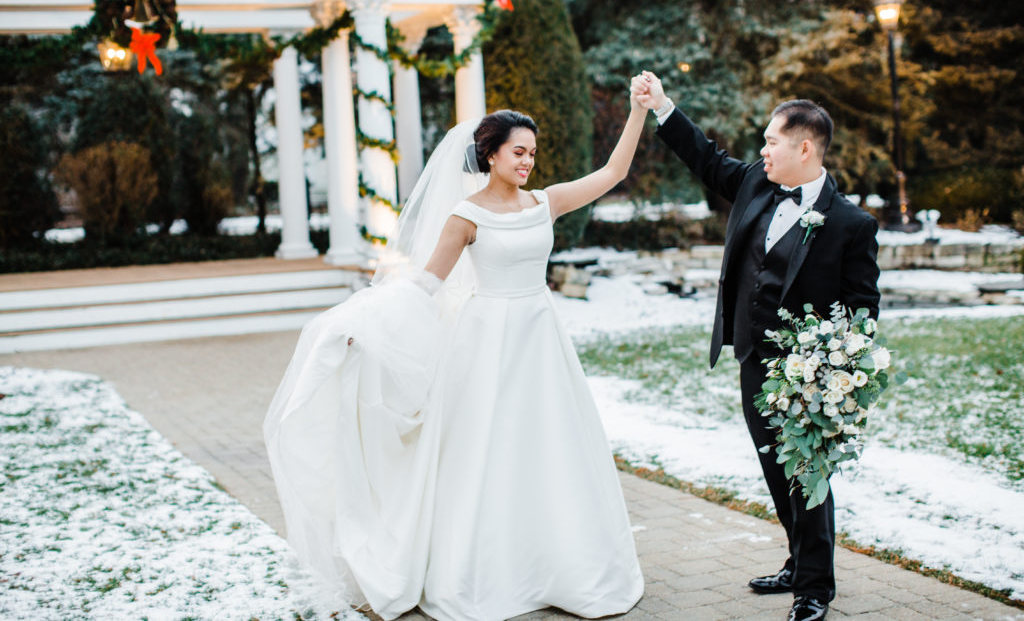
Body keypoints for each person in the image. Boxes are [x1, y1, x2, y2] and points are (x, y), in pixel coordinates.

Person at [264, 86, 648, 620]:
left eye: (533, 153)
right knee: (482, 452)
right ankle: (483, 571)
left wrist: (637, 112)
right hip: (485, 343)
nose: (528, 161)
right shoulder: (465, 215)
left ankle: (561, 565)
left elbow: (612, 174)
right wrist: (363, 324)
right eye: (519, 151)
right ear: (491, 154)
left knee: (549, 446)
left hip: (541, 342)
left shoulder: (545, 203)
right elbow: (424, 285)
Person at [632, 72, 880, 621]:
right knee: (774, 466)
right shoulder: (755, 183)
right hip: (753, 357)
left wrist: (839, 369)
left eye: (772, 140)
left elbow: (863, 306)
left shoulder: (850, 224)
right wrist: (664, 107)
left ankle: (814, 588)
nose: (762, 149)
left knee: (807, 473)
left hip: (810, 372)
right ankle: (799, 560)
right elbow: (705, 158)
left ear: (805, 147)